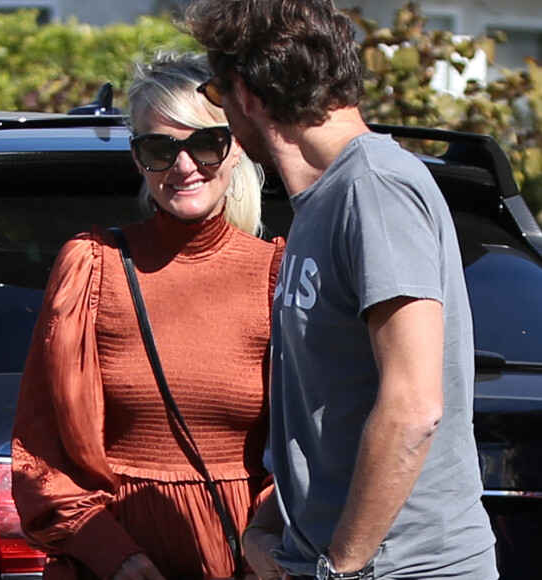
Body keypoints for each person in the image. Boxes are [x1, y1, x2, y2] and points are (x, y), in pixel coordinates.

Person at [185, 1, 498, 579]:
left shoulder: (373, 188)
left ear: (247, 93)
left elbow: (414, 406)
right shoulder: (323, 202)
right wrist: (271, 529)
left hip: (403, 569)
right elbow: (332, 413)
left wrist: (340, 569)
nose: (224, 113)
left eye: (216, 93)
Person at [11, 50, 284, 580]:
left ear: (235, 151)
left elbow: (308, 455)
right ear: (138, 158)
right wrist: (117, 558)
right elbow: (39, 453)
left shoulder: (277, 273)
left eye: (206, 144)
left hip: (243, 563)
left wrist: (265, 549)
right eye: (160, 147)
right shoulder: (93, 265)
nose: (185, 166)